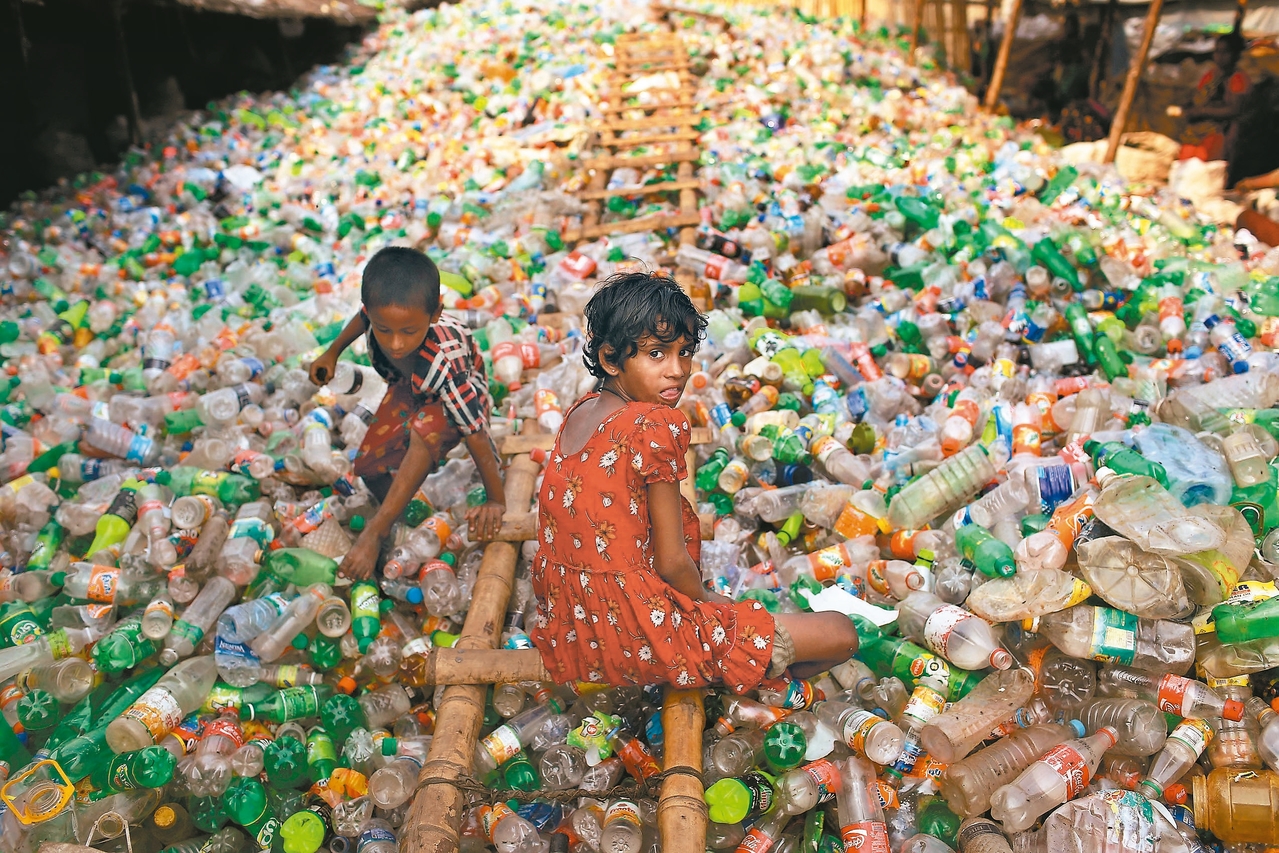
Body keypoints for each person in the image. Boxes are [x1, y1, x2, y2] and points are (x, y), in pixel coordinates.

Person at [529, 271, 859, 692]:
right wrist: (713, 605)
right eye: (656, 354)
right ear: (611, 359)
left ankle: (735, 672)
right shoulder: (651, 424)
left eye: (684, 353)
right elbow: (671, 564)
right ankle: (738, 677)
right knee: (841, 633)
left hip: (575, 627)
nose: (677, 371)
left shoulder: (580, 411)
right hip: (637, 631)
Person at [308, 247, 506, 580]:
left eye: (408, 332)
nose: (396, 344)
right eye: (385, 330)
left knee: (424, 429)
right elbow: (361, 319)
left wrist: (495, 499)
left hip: (460, 397)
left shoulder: (446, 362)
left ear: (435, 314)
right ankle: (402, 517)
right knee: (369, 465)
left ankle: (377, 531)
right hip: (409, 387)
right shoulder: (379, 318)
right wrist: (331, 352)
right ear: (372, 314)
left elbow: (475, 433)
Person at [1180, 31, 1251, 163]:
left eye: (1225, 52)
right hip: (1197, 133)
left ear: (1236, 55)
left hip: (1220, 133)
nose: (1219, 56)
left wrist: (1201, 111)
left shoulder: (1238, 79)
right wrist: (1189, 104)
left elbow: (1234, 109)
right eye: (1217, 52)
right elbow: (1200, 97)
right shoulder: (1210, 75)